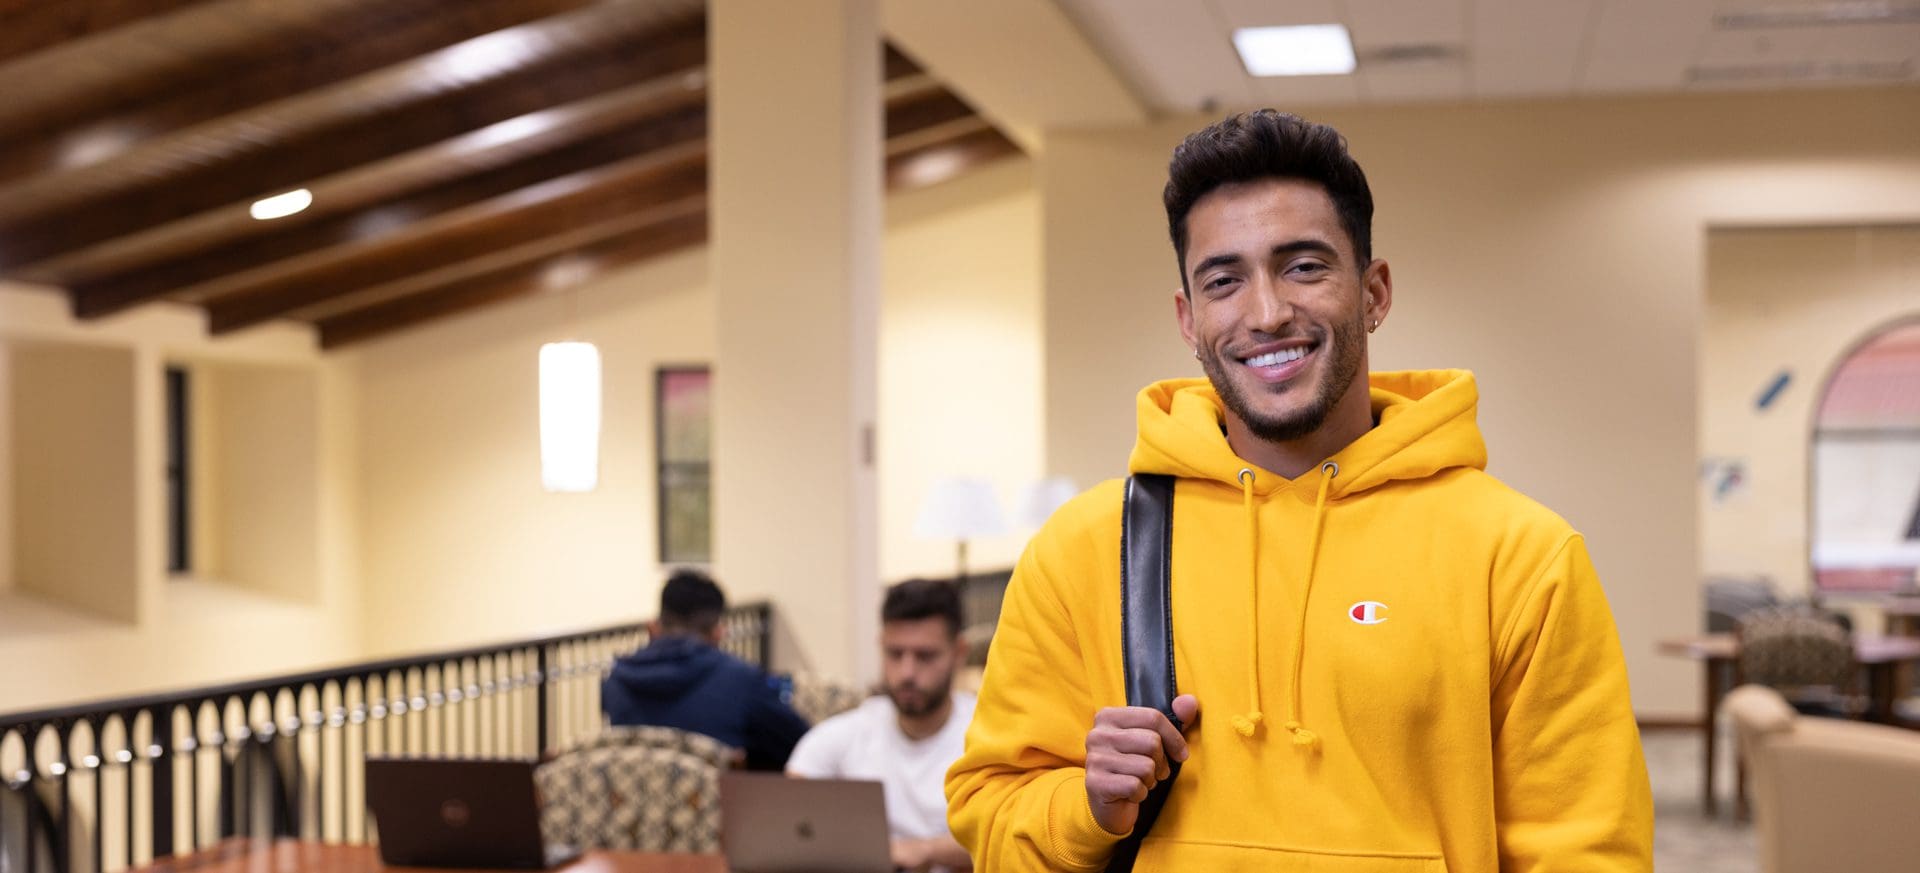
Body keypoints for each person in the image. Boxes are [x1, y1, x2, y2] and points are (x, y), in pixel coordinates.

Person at [946, 110, 1653, 871]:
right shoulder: (1085, 549)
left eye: (1304, 266)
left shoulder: (1521, 557)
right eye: (1224, 280)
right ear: (1189, 318)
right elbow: (989, 809)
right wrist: (1083, 807)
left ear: (1374, 292)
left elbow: (1589, 850)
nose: (1267, 312)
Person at [788, 579, 975, 872]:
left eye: (925, 656)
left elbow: (1011, 836)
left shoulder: (987, 737)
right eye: (895, 654)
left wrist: (926, 850)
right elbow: (786, 807)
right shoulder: (853, 730)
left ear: (959, 653)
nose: (907, 672)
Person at [601, 569, 810, 771]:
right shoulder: (740, 679)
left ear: (653, 627)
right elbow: (803, 746)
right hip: (723, 805)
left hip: (636, 803)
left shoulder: (616, 681)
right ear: (718, 632)